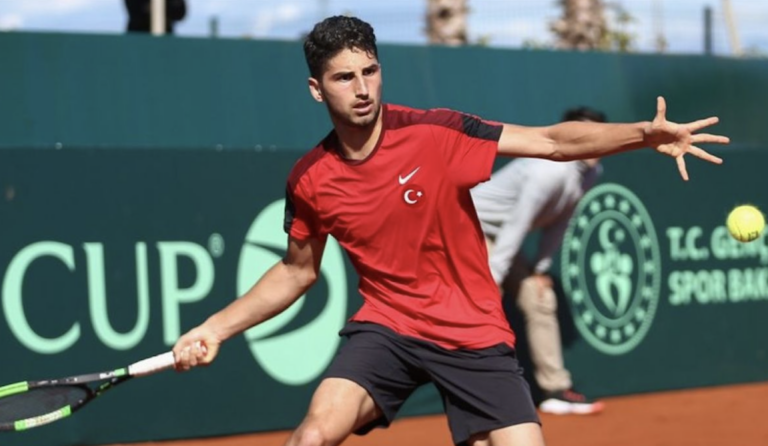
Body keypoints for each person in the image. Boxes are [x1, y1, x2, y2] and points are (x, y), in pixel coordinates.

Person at [172, 15, 728, 446]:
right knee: (316, 432)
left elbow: (552, 142)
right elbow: (297, 272)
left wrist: (642, 135)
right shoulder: (311, 179)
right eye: (344, 77)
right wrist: (216, 328)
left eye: (370, 71)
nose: (363, 88)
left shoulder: (435, 133)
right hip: (388, 328)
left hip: (473, 331)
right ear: (318, 89)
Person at [471, 106, 608, 416]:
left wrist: (540, 269)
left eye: (600, 134)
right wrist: (494, 277)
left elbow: (561, 222)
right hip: (469, 222)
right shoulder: (548, 171)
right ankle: (480, 391)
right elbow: (519, 222)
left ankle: (554, 390)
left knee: (539, 297)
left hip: (502, 236)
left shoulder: (592, 173)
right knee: (486, 301)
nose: (594, 141)